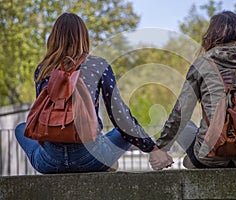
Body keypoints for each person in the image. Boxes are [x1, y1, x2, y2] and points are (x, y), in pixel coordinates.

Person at [15, 12, 172, 174]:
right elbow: (121, 117)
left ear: (54, 37)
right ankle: (109, 159)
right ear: (83, 37)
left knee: (21, 128)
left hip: (49, 163)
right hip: (91, 159)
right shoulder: (97, 65)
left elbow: (40, 123)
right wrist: (152, 149)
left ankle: (101, 152)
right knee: (123, 130)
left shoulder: (42, 70)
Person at [153, 11, 236, 169]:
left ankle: (194, 159)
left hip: (208, 157)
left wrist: (161, 148)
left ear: (211, 35)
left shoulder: (202, 65)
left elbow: (181, 111)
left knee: (185, 125)